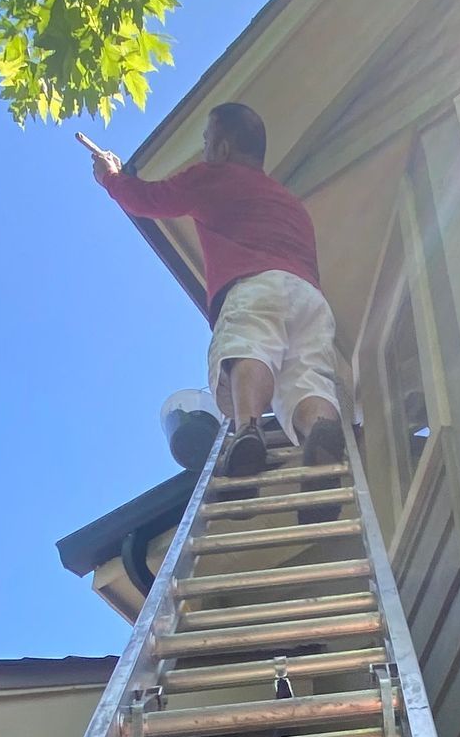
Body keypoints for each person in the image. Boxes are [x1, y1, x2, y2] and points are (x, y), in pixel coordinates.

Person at [90, 104, 346, 485]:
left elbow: (147, 199)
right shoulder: (291, 204)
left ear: (223, 148)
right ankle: (320, 432)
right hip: (309, 299)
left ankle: (247, 431)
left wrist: (110, 176)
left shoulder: (213, 178)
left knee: (250, 347)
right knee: (306, 378)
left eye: (208, 140)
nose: (205, 148)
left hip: (254, 287)